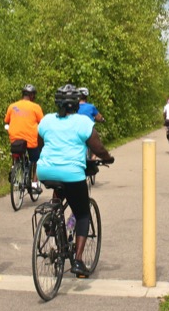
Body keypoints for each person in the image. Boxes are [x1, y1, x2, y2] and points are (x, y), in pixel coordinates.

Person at [37, 84, 114, 278]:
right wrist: (107, 157)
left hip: (45, 171)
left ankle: (52, 217)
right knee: (82, 214)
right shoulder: (82, 122)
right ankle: (78, 261)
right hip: (72, 174)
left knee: (60, 189)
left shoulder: (46, 120)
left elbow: (41, 143)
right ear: (76, 105)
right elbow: (97, 147)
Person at [4, 84, 44, 194]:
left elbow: (6, 121)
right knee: (36, 160)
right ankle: (34, 183)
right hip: (31, 140)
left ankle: (15, 170)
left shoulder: (12, 106)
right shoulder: (35, 107)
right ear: (31, 96)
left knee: (16, 154)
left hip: (15, 140)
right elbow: (43, 123)